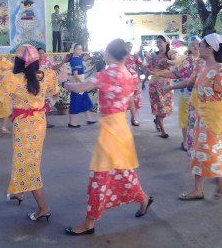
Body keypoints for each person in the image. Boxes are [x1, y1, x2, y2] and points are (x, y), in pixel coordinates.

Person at [59, 39, 153, 236]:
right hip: (121, 126)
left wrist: (63, 81)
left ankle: (89, 223)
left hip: (111, 128)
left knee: (99, 176)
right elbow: (128, 100)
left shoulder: (109, 73)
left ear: (109, 53)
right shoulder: (129, 73)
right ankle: (143, 199)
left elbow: (79, 88)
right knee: (122, 170)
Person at [0, 44, 60, 221]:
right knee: (25, 158)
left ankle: (43, 207)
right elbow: (55, 92)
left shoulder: (13, 79)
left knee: (27, 163)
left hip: (24, 125)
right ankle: (19, 192)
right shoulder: (47, 75)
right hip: (39, 122)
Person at [164, 33, 222, 200]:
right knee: (197, 151)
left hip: (213, 117)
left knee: (209, 149)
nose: (197, 47)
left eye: (201, 45)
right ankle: (198, 189)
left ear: (209, 49)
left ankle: (221, 177)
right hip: (198, 114)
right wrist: (170, 88)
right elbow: (190, 82)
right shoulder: (201, 65)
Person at [148, 36, 201, 151]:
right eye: (193, 45)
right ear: (189, 47)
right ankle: (185, 142)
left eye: (198, 44)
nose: (196, 46)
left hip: (201, 96)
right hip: (185, 93)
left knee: (198, 119)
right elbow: (176, 73)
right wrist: (159, 74)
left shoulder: (205, 60)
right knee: (184, 118)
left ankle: (196, 141)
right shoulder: (186, 61)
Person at [142, 35, 174, 138]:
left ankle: (157, 120)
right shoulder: (152, 56)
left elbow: (177, 64)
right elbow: (148, 68)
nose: (159, 44)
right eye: (158, 42)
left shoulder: (171, 54)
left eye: (161, 42)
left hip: (167, 84)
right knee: (158, 107)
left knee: (166, 108)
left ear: (166, 43)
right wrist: (144, 81)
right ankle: (163, 131)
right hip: (155, 85)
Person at [67, 43, 96, 127]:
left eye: (81, 49)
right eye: (78, 49)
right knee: (75, 102)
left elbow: (83, 58)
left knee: (85, 100)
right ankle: (71, 122)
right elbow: (75, 74)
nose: (80, 51)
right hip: (77, 83)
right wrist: (82, 83)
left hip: (80, 83)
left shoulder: (78, 58)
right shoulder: (74, 60)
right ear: (74, 50)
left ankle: (89, 118)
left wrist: (88, 55)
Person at [125, 41, 146, 126]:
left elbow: (143, 65)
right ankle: (123, 121)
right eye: (127, 47)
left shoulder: (134, 57)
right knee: (124, 101)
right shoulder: (120, 57)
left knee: (135, 101)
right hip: (124, 82)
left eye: (131, 47)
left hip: (135, 82)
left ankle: (133, 119)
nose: (129, 48)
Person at [38, 47, 58, 128]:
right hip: (36, 87)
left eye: (43, 53)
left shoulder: (47, 62)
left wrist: (64, 61)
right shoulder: (33, 63)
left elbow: (54, 68)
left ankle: (46, 122)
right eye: (39, 53)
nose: (41, 55)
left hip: (45, 88)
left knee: (45, 105)